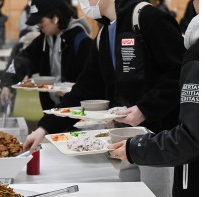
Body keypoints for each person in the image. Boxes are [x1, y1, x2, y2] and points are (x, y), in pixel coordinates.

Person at [22, 0, 185, 196]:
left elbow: (179, 74)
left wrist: (144, 109)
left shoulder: (148, 18)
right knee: (129, 191)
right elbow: (86, 88)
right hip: (123, 138)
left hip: (160, 139)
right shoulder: (104, 35)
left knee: (156, 193)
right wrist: (44, 128)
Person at [108, 0, 199, 196]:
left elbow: (192, 138)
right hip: (140, 137)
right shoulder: (109, 30)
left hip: (161, 138)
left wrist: (145, 110)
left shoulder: (152, 19)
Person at [0, 0, 92, 112]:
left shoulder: (81, 41)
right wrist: (7, 83)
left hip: (76, 114)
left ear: (55, 18)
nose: (38, 25)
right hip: (52, 112)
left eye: (41, 21)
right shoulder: (44, 40)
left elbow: (91, 82)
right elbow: (22, 60)